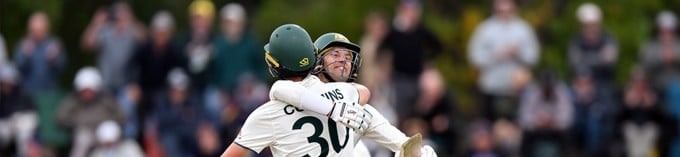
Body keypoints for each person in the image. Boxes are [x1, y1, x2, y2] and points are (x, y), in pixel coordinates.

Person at [263, 32, 438, 156]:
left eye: (347, 56)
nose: (343, 61)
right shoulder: (299, 93)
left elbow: (404, 144)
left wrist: (419, 152)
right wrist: (332, 108)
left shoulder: (359, 107)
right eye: (335, 54)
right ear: (316, 61)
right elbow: (279, 89)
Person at [468, 0, 539, 121]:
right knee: (489, 125)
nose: (504, 14)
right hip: (491, 88)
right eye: (501, 11)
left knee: (516, 126)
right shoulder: (485, 29)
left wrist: (518, 53)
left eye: (508, 11)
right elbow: (474, 57)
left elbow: (534, 57)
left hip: (517, 90)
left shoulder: (523, 29)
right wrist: (495, 56)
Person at [379, 0, 443, 120]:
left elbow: (438, 46)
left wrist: (428, 61)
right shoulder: (394, 31)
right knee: (401, 112)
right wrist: (384, 67)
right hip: (399, 78)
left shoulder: (421, 30)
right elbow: (382, 50)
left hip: (417, 78)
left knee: (419, 112)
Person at [125, 10, 184, 139]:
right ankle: (131, 140)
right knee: (128, 104)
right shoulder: (144, 48)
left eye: (164, 32)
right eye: (158, 32)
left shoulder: (174, 51)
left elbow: (180, 74)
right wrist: (133, 84)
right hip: (144, 90)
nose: (161, 36)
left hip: (164, 92)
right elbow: (130, 66)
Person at [56, 67, 126, 157]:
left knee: (110, 134)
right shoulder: (73, 101)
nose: (87, 94)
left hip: (104, 132)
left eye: (90, 91)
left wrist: (108, 123)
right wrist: (79, 123)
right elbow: (61, 117)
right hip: (85, 133)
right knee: (82, 139)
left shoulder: (106, 100)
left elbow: (121, 116)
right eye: (84, 91)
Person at [81, 1, 145, 93]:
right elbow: (86, 45)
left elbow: (146, 40)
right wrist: (96, 23)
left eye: (123, 13)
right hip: (105, 84)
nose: (120, 16)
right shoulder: (105, 32)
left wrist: (131, 20)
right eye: (117, 13)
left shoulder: (133, 32)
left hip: (127, 85)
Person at [152, 68, 214, 157]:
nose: (179, 94)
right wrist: (178, 112)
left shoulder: (192, 101)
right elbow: (163, 124)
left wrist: (204, 131)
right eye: (175, 90)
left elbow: (200, 118)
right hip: (169, 138)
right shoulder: (161, 102)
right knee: (170, 140)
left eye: (182, 91)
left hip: (190, 138)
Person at [13, 11, 67, 96]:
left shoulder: (54, 45)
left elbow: (61, 69)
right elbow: (17, 69)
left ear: (47, 29)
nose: (37, 33)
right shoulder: (23, 44)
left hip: (49, 92)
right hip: (27, 92)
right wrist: (26, 56)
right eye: (34, 30)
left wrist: (53, 60)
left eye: (40, 30)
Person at [568, 2, 618, 88]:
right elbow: (573, 63)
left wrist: (584, 59)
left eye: (593, 24)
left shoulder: (608, 39)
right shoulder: (576, 41)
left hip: (604, 84)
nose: (590, 28)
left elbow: (610, 62)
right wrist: (599, 58)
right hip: (581, 87)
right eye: (586, 25)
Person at [0, 64, 37, 157]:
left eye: (8, 82)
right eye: (3, 82)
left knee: (23, 138)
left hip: (22, 123)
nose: (6, 85)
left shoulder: (22, 93)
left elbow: (29, 115)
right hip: (5, 124)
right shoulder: (2, 95)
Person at [182, 0, 216, 92]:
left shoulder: (217, 40)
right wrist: (185, 53)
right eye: (197, 19)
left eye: (205, 19)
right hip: (187, 87)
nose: (200, 23)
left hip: (210, 86)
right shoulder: (184, 40)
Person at [640, 10, 680, 90]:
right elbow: (645, 65)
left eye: (670, 30)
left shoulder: (678, 44)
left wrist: (674, 57)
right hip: (655, 84)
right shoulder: (650, 46)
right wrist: (661, 59)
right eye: (664, 30)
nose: (667, 33)